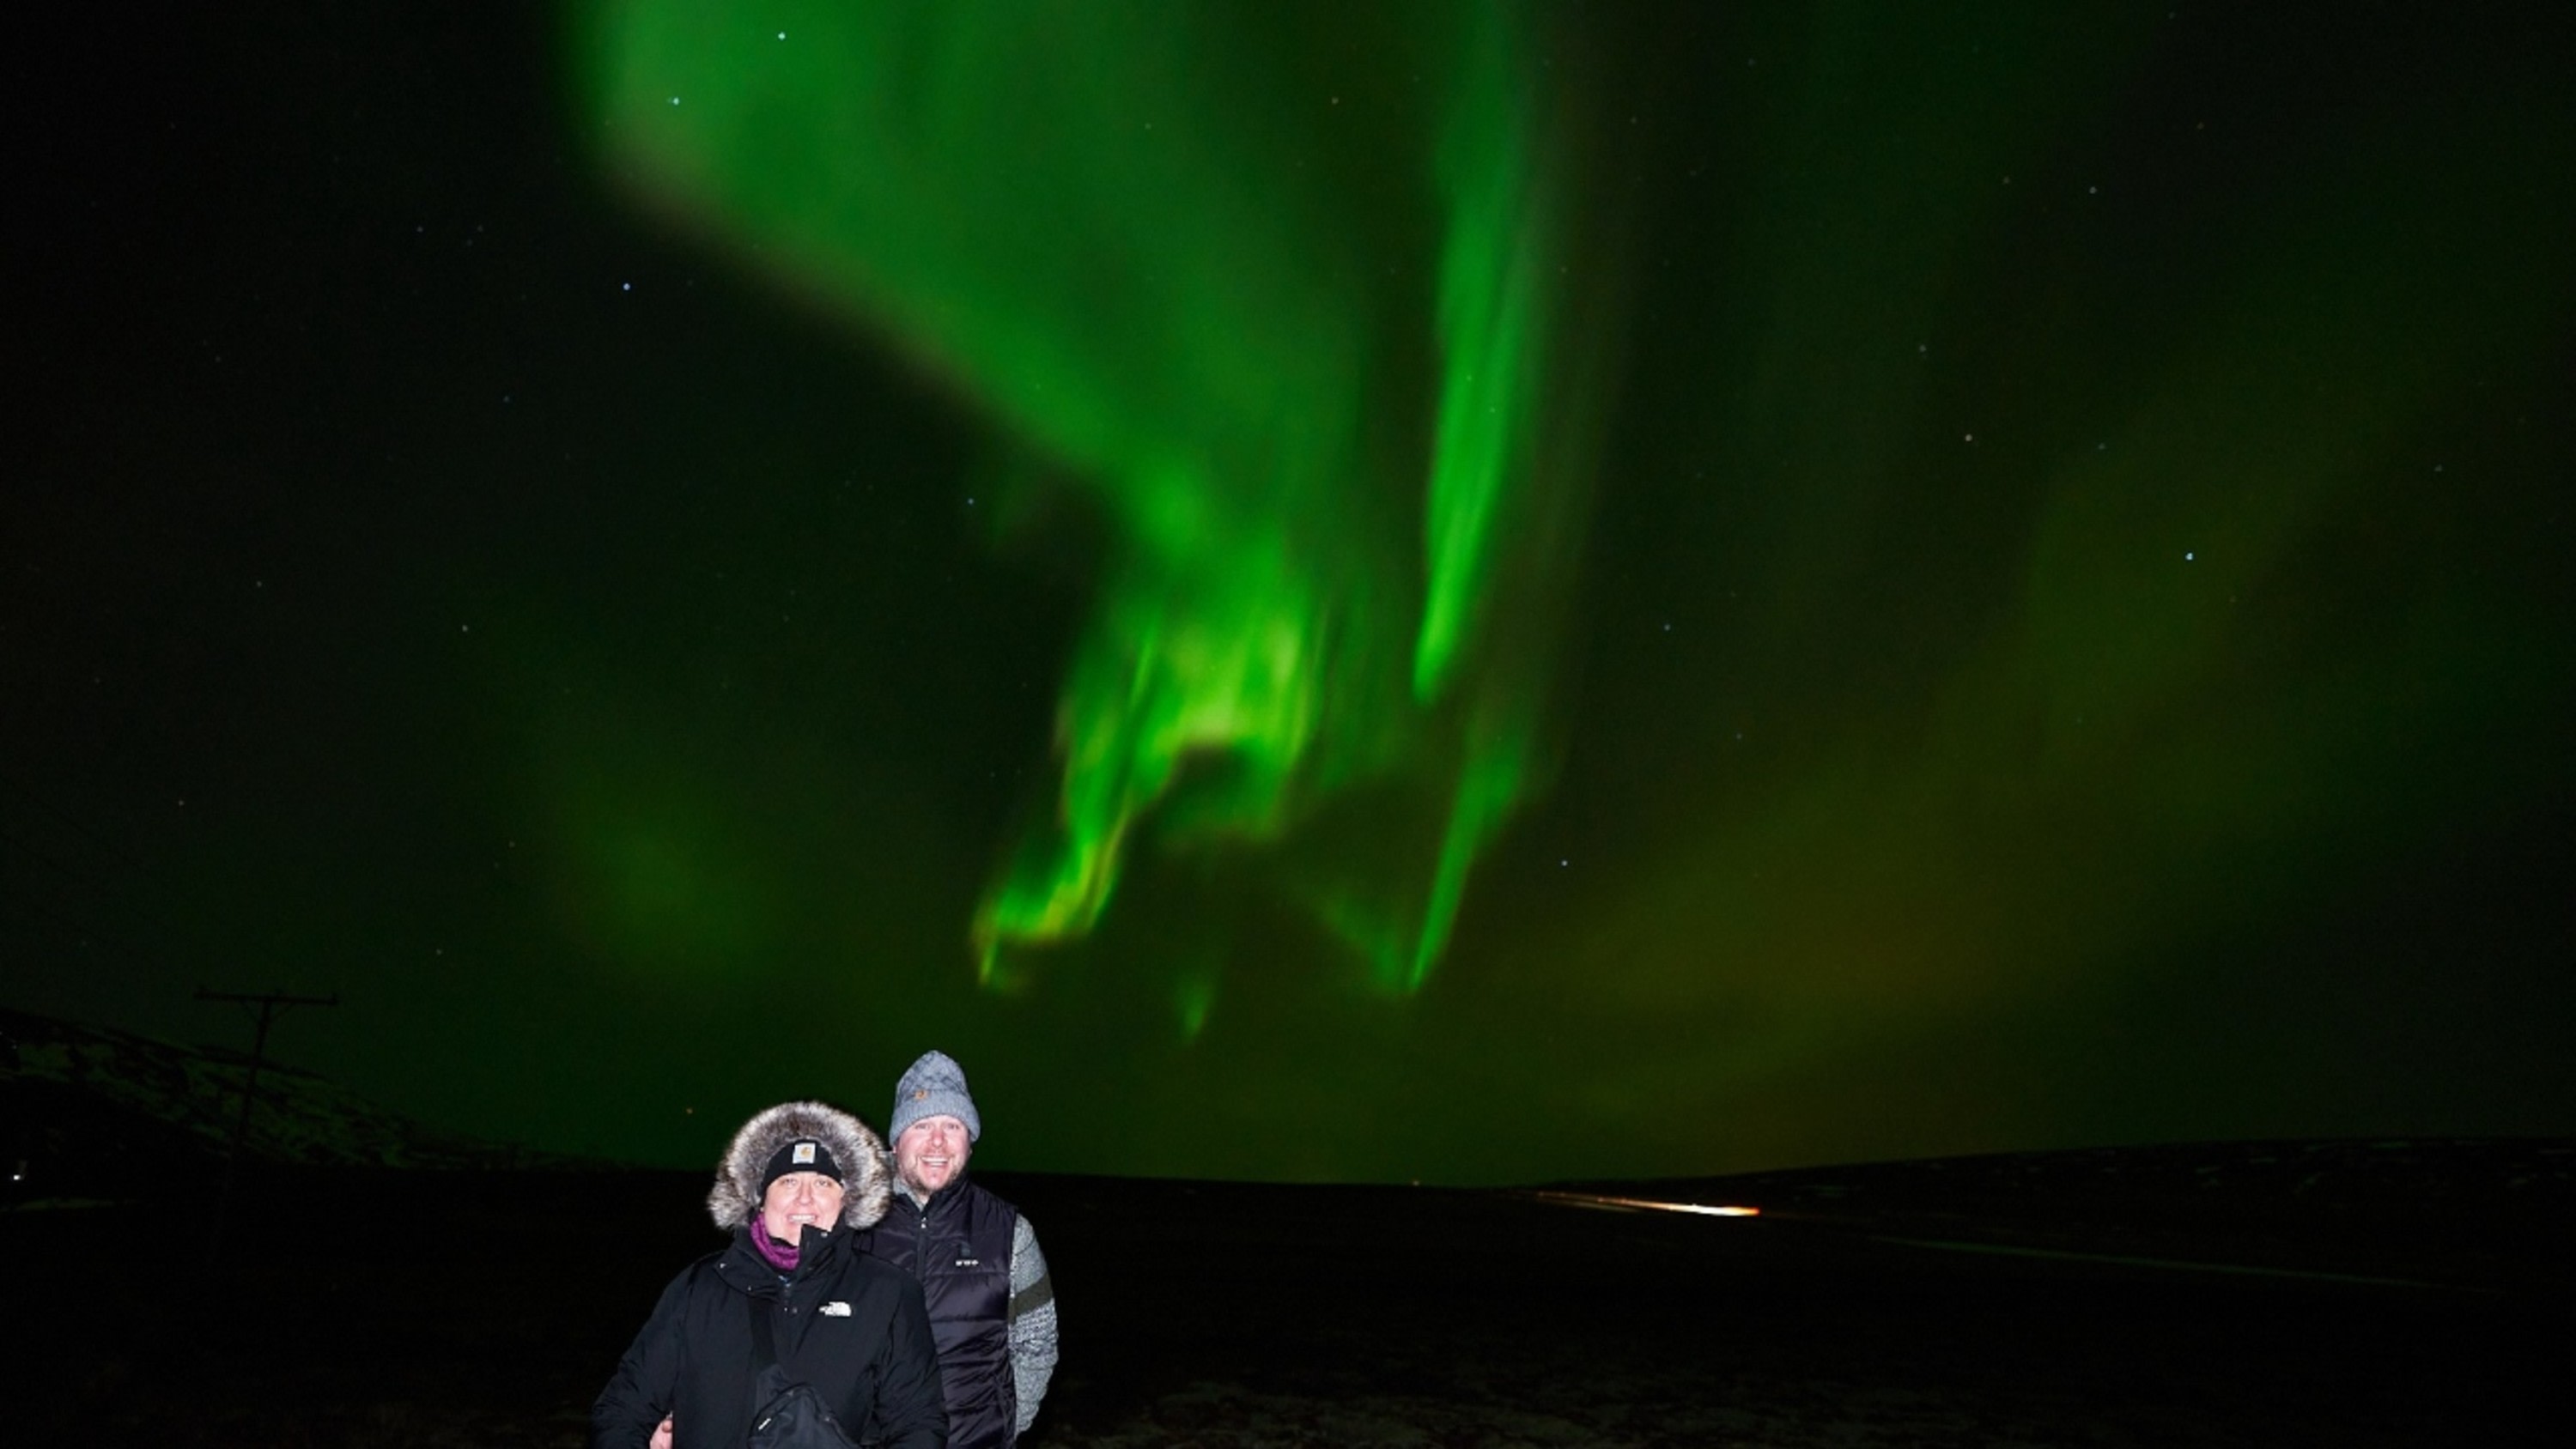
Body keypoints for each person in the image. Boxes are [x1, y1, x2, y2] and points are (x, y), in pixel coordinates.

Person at [593, 1100, 947, 1449]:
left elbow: (919, 1424)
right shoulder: (701, 1286)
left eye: (823, 1183)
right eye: (789, 1181)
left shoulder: (888, 1294)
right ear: (761, 1198)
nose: (805, 1199)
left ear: (847, 1200)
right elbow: (624, 1408)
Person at [853, 1052, 1057, 1449]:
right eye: (922, 1124)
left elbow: (1038, 1341)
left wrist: (1009, 1425)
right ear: (896, 1141)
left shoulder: (1010, 1231)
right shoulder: (851, 1224)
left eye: (953, 1125)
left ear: (970, 1140)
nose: (937, 1141)